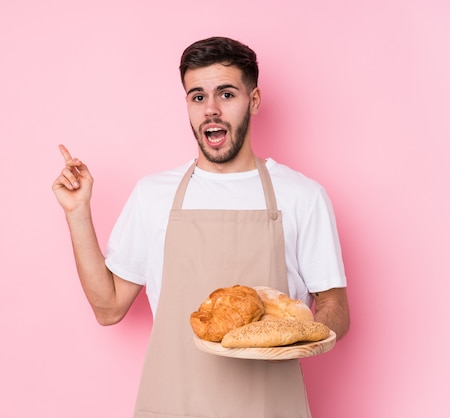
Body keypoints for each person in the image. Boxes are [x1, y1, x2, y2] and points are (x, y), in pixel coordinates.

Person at [52, 36, 350, 418]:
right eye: (197, 97)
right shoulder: (153, 195)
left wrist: (298, 337)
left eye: (226, 94)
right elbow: (108, 308)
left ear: (253, 101)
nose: (211, 110)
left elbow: (335, 305)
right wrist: (77, 213)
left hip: (269, 406)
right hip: (173, 405)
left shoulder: (302, 196)